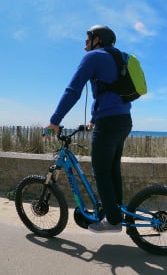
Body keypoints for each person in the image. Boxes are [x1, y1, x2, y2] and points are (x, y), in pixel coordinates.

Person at [45, 25, 132, 233]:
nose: (85, 42)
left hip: (108, 123)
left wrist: (55, 121)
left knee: (101, 172)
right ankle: (116, 211)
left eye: (88, 37)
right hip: (124, 120)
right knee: (112, 170)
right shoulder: (119, 57)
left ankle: (112, 221)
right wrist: (94, 118)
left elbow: (73, 90)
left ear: (98, 40)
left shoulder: (93, 57)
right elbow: (110, 91)